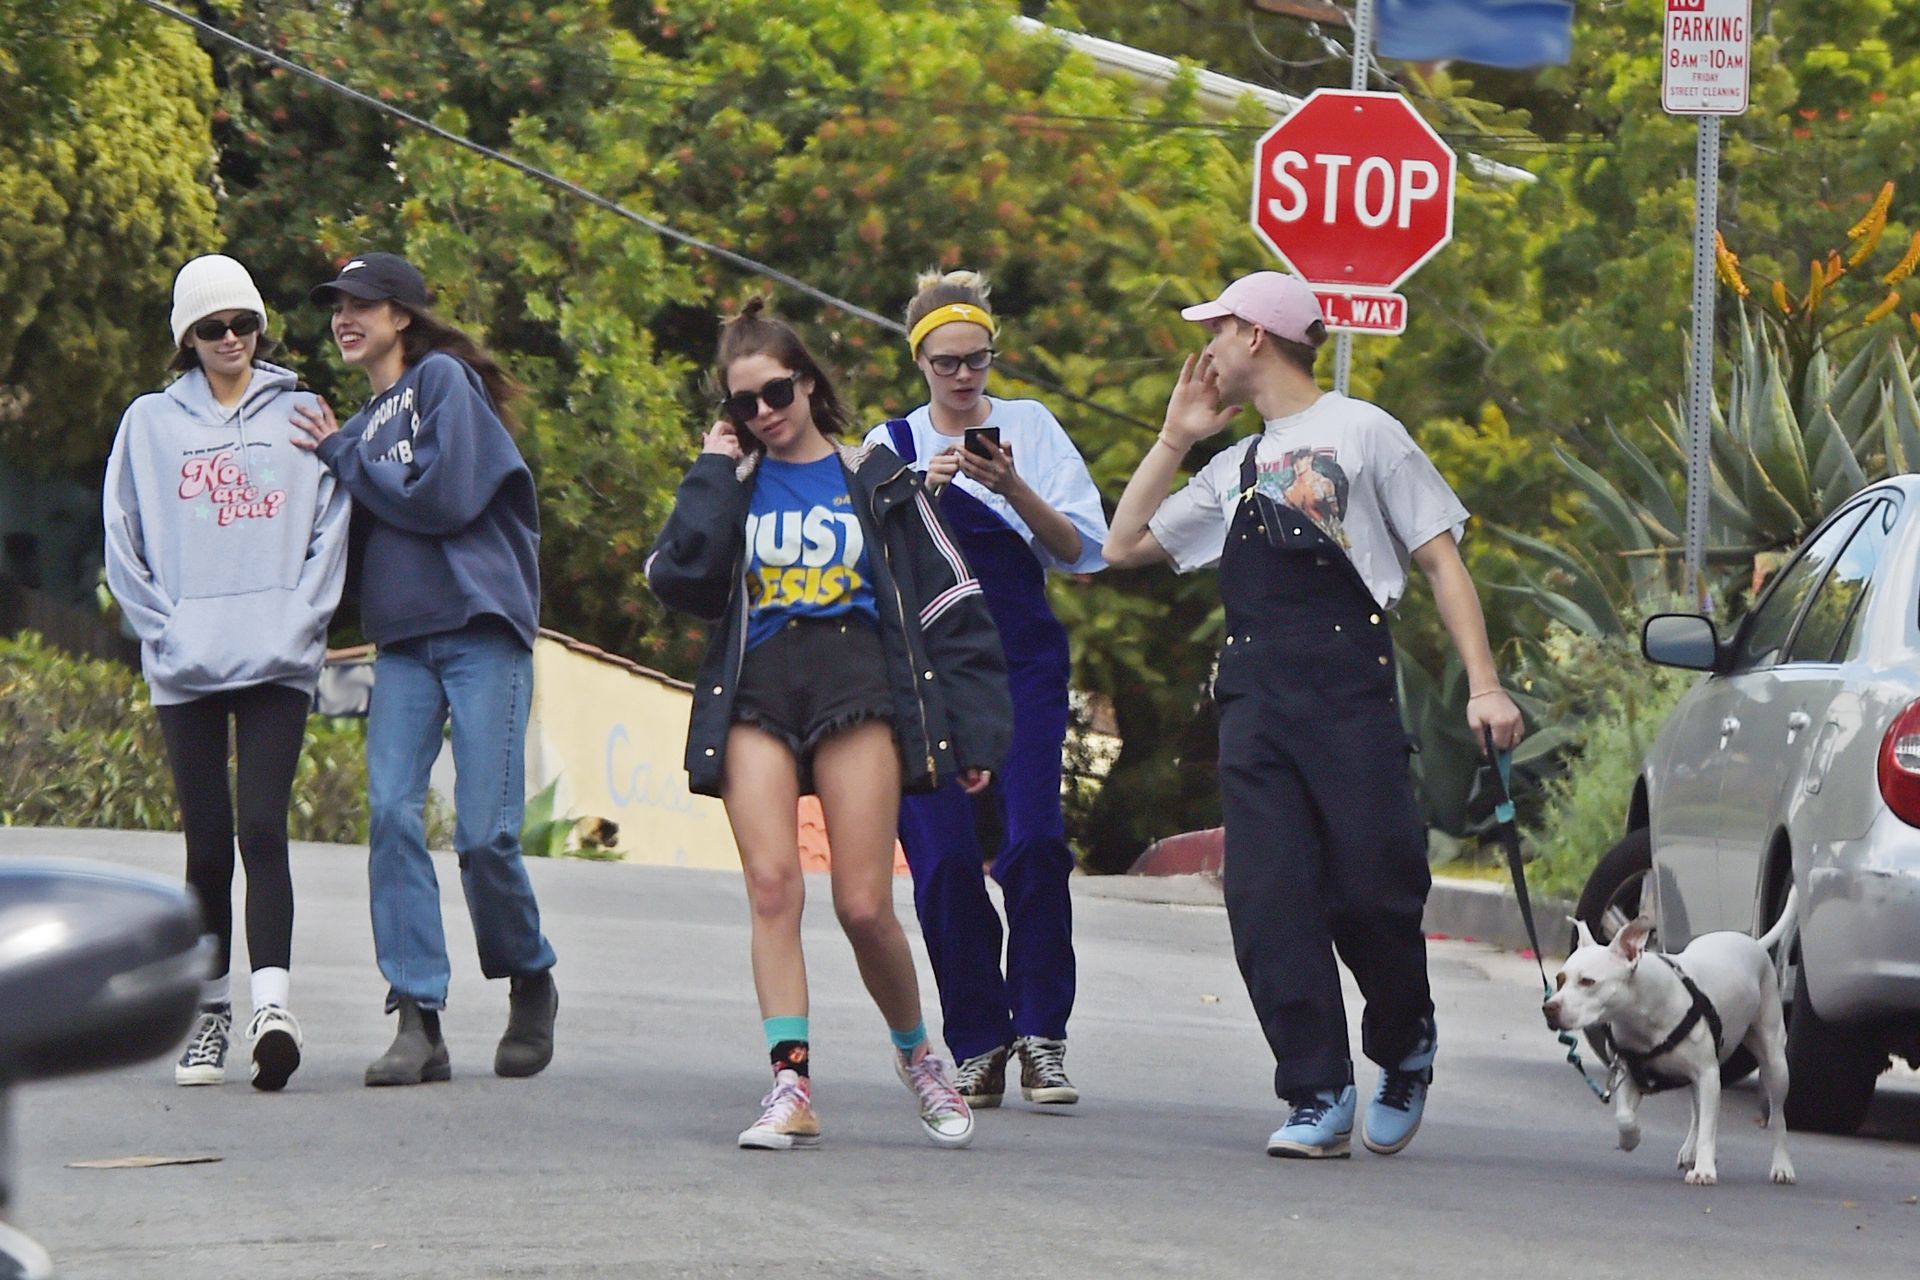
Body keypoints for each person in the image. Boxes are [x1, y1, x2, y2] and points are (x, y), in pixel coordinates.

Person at [1102, 271, 1526, 1159]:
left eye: (1215, 331)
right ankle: (1318, 1093)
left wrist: (1484, 685)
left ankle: (1405, 1040)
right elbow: (1123, 544)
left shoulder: (1365, 432)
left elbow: (1442, 563)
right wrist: (1174, 439)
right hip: (1256, 696)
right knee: (1268, 898)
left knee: (1372, 888)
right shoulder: (1235, 467)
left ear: (1257, 335)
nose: (1205, 350)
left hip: (1349, 690)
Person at [644, 299, 1012, 1150]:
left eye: (776, 393)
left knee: (862, 904)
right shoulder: (730, 488)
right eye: (743, 405)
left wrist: (973, 733)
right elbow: (678, 577)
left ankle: (919, 1056)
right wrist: (710, 469)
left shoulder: (875, 475)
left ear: (806, 382)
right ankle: (790, 1085)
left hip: (859, 685)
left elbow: (952, 601)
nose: (764, 414)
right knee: (774, 887)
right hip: (757, 693)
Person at [290, 252, 558, 1087]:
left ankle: (530, 974)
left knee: (485, 835)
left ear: (401, 315)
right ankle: (418, 1017)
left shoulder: (441, 383)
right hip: (403, 643)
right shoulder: (365, 424)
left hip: (480, 626)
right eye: (337, 306)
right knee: (393, 816)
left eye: (361, 304)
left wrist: (344, 455)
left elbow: (442, 501)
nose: (345, 317)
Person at [103, 253, 350, 1091]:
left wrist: (300, 619)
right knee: (207, 847)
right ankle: (207, 1016)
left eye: (244, 323)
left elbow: (330, 523)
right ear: (187, 338)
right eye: (213, 328)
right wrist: (163, 631)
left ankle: (272, 1008)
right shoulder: (148, 424)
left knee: (264, 831)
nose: (232, 339)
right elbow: (121, 533)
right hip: (187, 661)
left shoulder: (304, 412)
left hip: (277, 656)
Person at [863, 270, 1108, 1108]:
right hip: (925, 678)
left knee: (1035, 839)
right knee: (942, 859)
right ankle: (977, 1039)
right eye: (948, 363)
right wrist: (919, 496)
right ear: (920, 362)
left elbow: (1080, 548)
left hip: (1021, 664)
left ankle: (1043, 1035)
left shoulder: (1031, 429)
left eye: (979, 360)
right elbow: (867, 563)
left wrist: (1009, 486)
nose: (966, 378)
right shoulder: (887, 444)